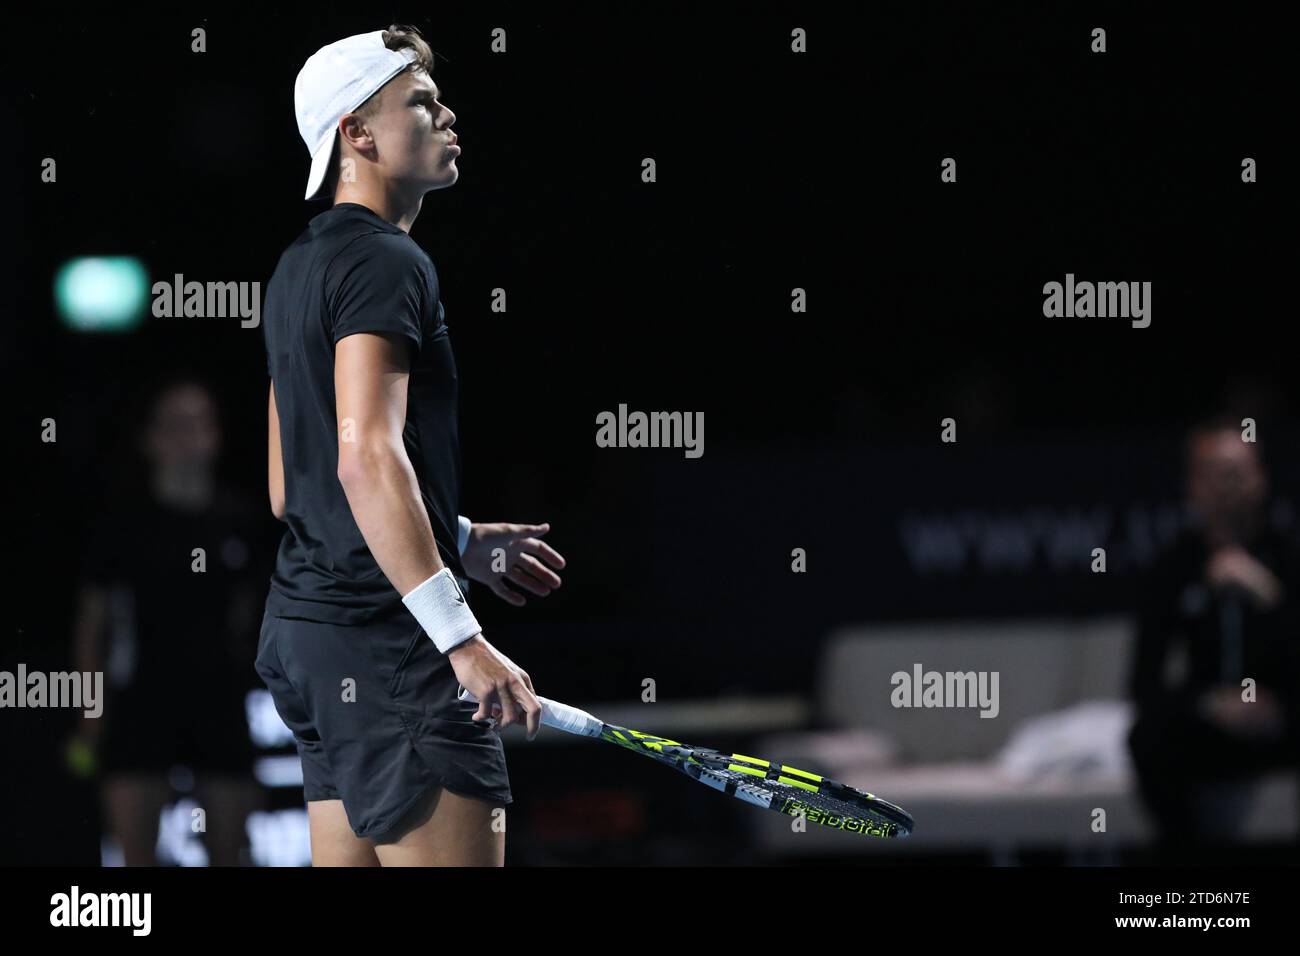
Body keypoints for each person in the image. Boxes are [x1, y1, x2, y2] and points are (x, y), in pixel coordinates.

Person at [257, 25, 565, 866]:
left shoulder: (295, 269)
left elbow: (296, 486)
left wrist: (455, 538)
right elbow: (362, 459)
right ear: (358, 133)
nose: (448, 114)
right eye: (421, 103)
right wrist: (460, 638)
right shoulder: (389, 264)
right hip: (387, 643)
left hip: (309, 638)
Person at [72, 375, 265, 865]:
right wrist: (92, 718)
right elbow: (92, 630)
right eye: (176, 424)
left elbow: (256, 619)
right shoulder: (121, 525)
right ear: (151, 437)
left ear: (216, 433)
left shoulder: (242, 521)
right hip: (141, 706)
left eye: (200, 422)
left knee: (231, 850)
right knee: (135, 857)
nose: (190, 435)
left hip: (219, 704)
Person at [1127, 413, 1300, 851]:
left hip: (1285, 720)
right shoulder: (1174, 566)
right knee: (1147, 736)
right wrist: (1207, 703)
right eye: (1215, 478)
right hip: (1211, 725)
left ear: (1261, 479)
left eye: (1237, 476)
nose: (1228, 491)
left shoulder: (1290, 554)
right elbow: (1144, 684)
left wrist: (1267, 595)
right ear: (1194, 487)